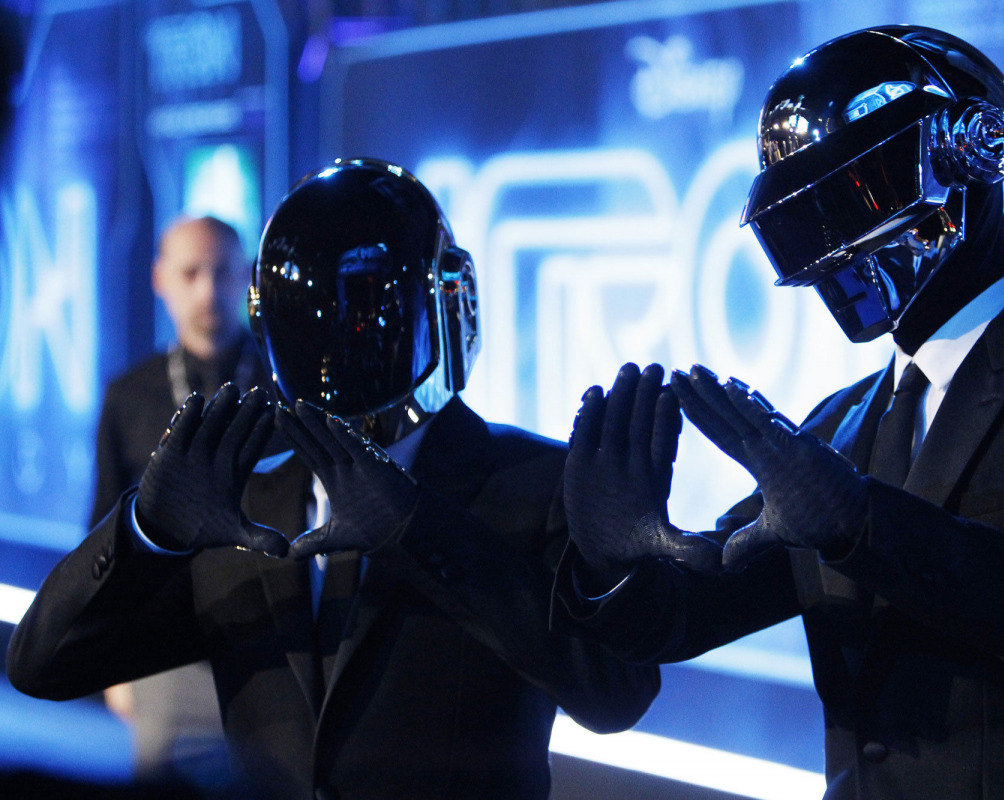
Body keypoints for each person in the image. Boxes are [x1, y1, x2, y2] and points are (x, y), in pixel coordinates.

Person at [553, 25, 1004, 799]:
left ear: (970, 153)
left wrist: (869, 526)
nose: (838, 247)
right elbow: (684, 619)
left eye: (861, 194)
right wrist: (613, 562)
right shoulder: (836, 429)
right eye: (809, 217)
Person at [9, 158, 659, 800]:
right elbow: (42, 663)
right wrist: (147, 531)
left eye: (371, 304)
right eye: (314, 312)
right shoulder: (246, 506)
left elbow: (614, 692)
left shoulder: (539, 483)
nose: (348, 335)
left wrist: (419, 529)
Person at [90, 214, 266, 793]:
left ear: (247, 278)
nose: (206, 290)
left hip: (272, 641)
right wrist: (110, 659)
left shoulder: (283, 383)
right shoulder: (130, 393)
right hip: (163, 652)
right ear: (159, 278)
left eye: (222, 272)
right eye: (190, 272)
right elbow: (103, 534)